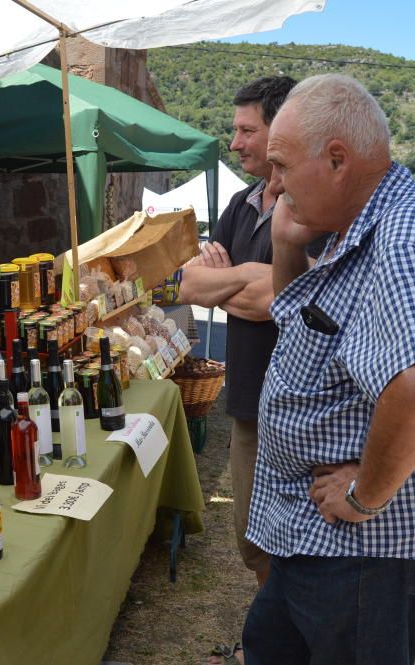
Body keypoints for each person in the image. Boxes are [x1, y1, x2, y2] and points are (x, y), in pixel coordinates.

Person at [243, 74, 415, 665]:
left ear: (336, 159)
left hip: (362, 544)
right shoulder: (360, 222)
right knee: (268, 644)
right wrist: (288, 246)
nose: (272, 185)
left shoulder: (402, 235)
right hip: (319, 533)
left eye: (280, 165)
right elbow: (303, 325)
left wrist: (364, 495)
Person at [179, 76, 304, 591]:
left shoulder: (311, 208)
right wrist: (250, 279)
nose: (234, 143)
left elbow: (276, 299)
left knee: (295, 547)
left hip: (297, 410)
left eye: (246, 130)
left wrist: (230, 284)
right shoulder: (242, 203)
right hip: (248, 405)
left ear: (283, 130)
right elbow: (189, 281)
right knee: (252, 542)